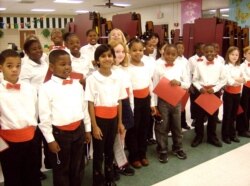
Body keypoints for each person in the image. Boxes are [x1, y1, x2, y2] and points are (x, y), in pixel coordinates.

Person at [38, 49, 91, 186]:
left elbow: (84, 108)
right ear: (51, 67)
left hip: (78, 130)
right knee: (62, 169)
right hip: (60, 135)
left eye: (69, 64)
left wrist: (87, 129)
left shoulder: (76, 84)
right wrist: (50, 140)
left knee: (78, 166)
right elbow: (44, 118)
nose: (67, 67)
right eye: (62, 64)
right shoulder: (45, 88)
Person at [85, 44, 127, 186]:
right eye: (103, 56)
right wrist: (94, 126)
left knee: (110, 150)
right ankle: (97, 179)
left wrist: (120, 122)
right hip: (99, 120)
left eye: (109, 55)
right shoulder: (92, 79)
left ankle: (109, 177)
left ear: (114, 58)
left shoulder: (117, 77)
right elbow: (90, 103)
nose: (107, 59)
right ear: (97, 60)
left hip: (113, 118)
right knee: (98, 152)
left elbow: (119, 100)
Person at [0, 49, 41, 186]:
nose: (14, 70)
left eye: (18, 65)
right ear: (1, 67)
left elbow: (35, 112)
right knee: (13, 178)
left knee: (33, 176)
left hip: (30, 139)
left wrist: (33, 132)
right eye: (9, 66)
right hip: (8, 142)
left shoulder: (30, 89)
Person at [153, 44, 190, 163]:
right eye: (167, 53)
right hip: (162, 101)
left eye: (173, 54)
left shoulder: (181, 66)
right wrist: (154, 104)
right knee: (162, 126)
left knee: (177, 125)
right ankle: (162, 149)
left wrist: (179, 83)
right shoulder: (158, 67)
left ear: (177, 55)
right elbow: (154, 87)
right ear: (163, 53)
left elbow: (187, 83)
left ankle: (177, 147)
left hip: (176, 100)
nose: (170, 56)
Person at [19, 38, 50, 180]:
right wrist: (41, 89)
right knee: (37, 140)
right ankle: (36, 169)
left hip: (49, 105)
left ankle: (50, 162)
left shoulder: (45, 62)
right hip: (36, 107)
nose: (38, 51)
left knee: (49, 135)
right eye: (34, 49)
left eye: (39, 48)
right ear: (27, 52)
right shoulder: (25, 67)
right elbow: (25, 88)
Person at [125, 38, 156, 168]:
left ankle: (143, 154)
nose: (138, 53)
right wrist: (131, 107)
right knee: (133, 129)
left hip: (145, 100)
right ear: (129, 51)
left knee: (144, 128)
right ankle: (134, 156)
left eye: (140, 50)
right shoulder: (127, 68)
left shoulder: (146, 65)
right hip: (134, 102)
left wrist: (152, 103)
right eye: (134, 50)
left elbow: (150, 84)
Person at [191, 44, 226, 148]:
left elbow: (223, 80)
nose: (209, 53)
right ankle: (199, 136)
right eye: (207, 52)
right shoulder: (199, 65)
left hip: (213, 92)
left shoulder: (220, 65)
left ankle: (212, 137)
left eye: (212, 51)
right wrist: (199, 87)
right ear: (204, 52)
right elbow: (195, 79)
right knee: (199, 116)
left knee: (213, 116)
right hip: (201, 92)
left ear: (215, 52)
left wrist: (215, 89)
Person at [109, 40, 135, 177]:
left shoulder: (125, 69)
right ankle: (114, 163)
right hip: (114, 104)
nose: (120, 54)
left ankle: (120, 162)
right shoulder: (108, 70)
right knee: (114, 136)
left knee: (122, 135)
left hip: (125, 104)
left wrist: (131, 107)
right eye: (116, 52)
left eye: (122, 51)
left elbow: (130, 90)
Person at [222, 46, 243, 144]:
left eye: (237, 55)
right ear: (228, 55)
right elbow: (229, 81)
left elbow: (245, 79)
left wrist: (236, 79)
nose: (235, 57)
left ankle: (232, 134)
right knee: (227, 115)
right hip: (229, 93)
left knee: (234, 115)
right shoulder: (225, 67)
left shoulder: (239, 67)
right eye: (232, 54)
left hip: (237, 93)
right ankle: (225, 135)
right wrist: (237, 79)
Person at [188, 42, 205, 127]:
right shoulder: (191, 59)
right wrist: (190, 85)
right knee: (194, 101)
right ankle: (194, 118)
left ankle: (203, 117)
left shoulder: (206, 58)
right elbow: (189, 73)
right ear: (197, 50)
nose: (204, 50)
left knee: (203, 101)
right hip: (194, 83)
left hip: (203, 84)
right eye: (202, 48)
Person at [175, 41, 191, 130]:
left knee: (183, 106)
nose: (180, 49)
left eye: (182, 48)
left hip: (184, 85)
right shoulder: (174, 59)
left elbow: (188, 74)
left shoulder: (186, 60)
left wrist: (188, 85)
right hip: (176, 86)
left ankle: (183, 123)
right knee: (177, 107)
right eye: (178, 47)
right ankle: (177, 125)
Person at [236, 46, 250, 138]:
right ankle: (242, 130)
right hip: (245, 89)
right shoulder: (241, 66)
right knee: (244, 109)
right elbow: (244, 78)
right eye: (249, 53)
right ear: (245, 55)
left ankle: (246, 127)